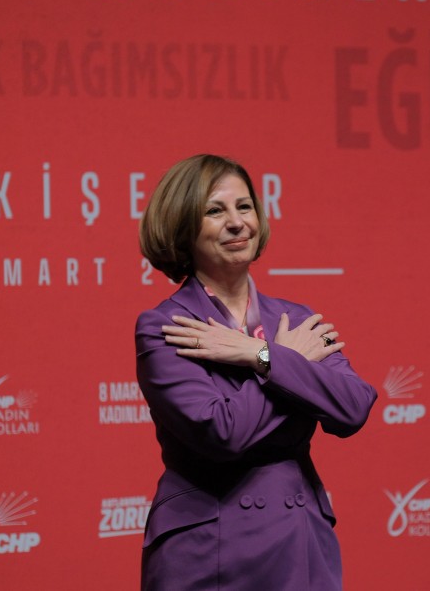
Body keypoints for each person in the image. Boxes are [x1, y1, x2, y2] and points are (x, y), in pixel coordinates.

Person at [135, 154, 377, 590]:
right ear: (182, 227)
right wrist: (288, 363)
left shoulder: (294, 318)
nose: (237, 223)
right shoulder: (168, 326)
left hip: (299, 541)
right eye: (215, 211)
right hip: (208, 548)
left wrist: (260, 355)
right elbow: (222, 431)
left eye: (244, 207)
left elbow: (353, 406)